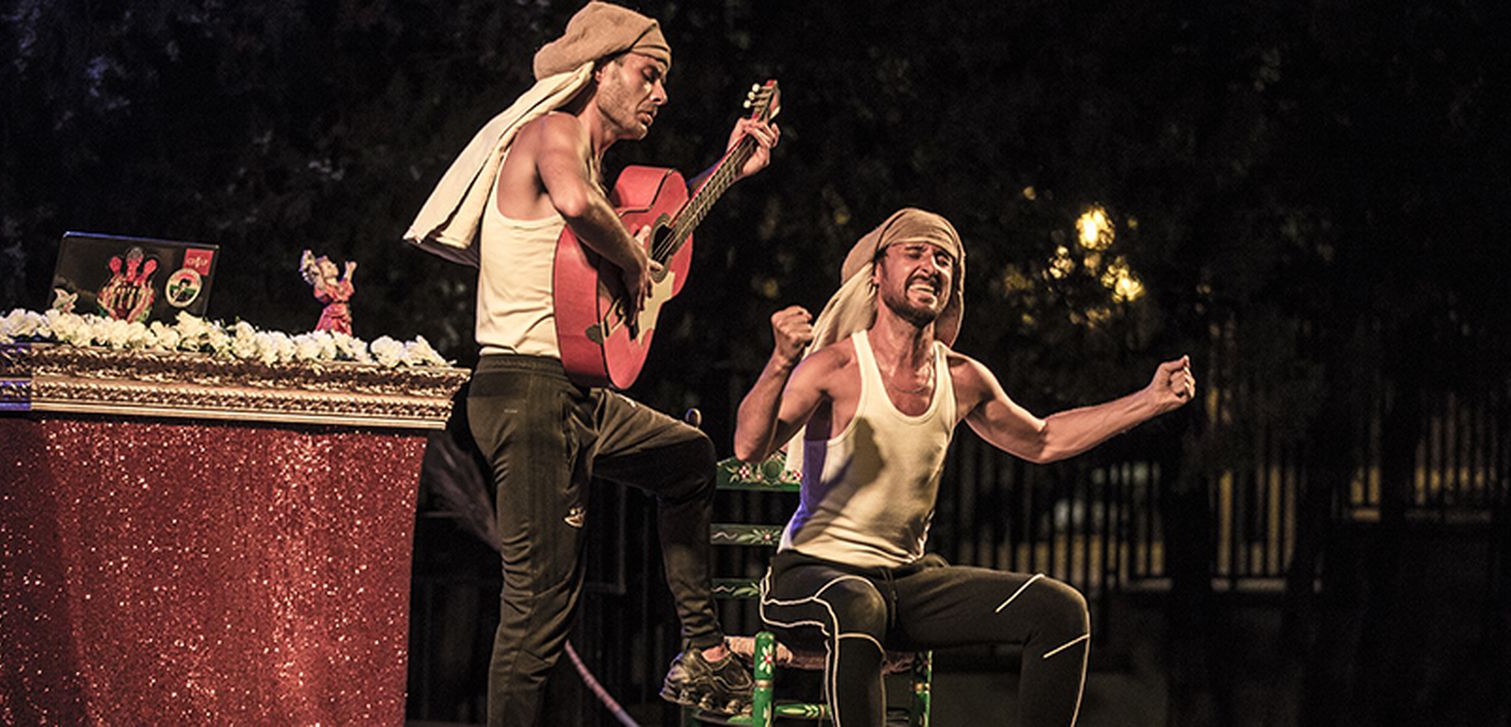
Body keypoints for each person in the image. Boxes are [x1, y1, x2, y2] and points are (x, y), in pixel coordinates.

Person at [403, 2, 780, 724]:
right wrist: (633, 257)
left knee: (690, 457)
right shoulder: (555, 131)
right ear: (599, 70)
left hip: (575, 392)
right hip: (526, 389)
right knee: (540, 605)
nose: (660, 93)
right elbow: (579, 205)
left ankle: (703, 653)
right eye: (647, 74)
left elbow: (655, 225)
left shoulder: (601, 166)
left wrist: (728, 169)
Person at [733, 208, 1195, 727]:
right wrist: (779, 363)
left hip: (904, 584)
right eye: (914, 252)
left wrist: (1149, 400)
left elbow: (1043, 440)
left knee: (1059, 610)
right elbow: (750, 447)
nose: (931, 265)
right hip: (813, 578)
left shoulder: (963, 378)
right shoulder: (835, 367)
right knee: (859, 607)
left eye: (944, 259)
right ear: (877, 272)